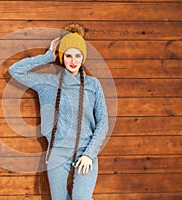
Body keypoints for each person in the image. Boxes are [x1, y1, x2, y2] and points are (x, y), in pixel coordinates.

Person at [9, 23, 109, 200]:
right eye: (68, 55)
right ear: (62, 57)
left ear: (83, 57)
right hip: (58, 151)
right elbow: (15, 70)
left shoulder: (93, 85)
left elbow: (103, 122)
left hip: (85, 151)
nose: (73, 61)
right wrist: (47, 57)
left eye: (78, 56)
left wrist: (89, 154)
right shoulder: (49, 84)